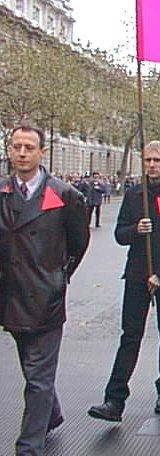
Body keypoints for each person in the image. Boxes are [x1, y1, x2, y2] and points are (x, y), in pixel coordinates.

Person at [88, 140, 160, 422]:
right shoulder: (134, 194)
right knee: (130, 336)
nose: (152, 165)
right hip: (137, 274)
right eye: (148, 161)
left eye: (157, 161)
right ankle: (114, 400)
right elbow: (120, 234)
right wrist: (136, 230)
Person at [0, 124, 90, 455]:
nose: (21, 153)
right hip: (10, 295)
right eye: (16, 146)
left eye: (28, 147)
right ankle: (51, 414)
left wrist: (58, 276)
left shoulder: (65, 195)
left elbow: (78, 242)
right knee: (31, 366)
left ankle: (28, 447)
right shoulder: (3, 192)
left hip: (45, 298)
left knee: (38, 377)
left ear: (42, 152)